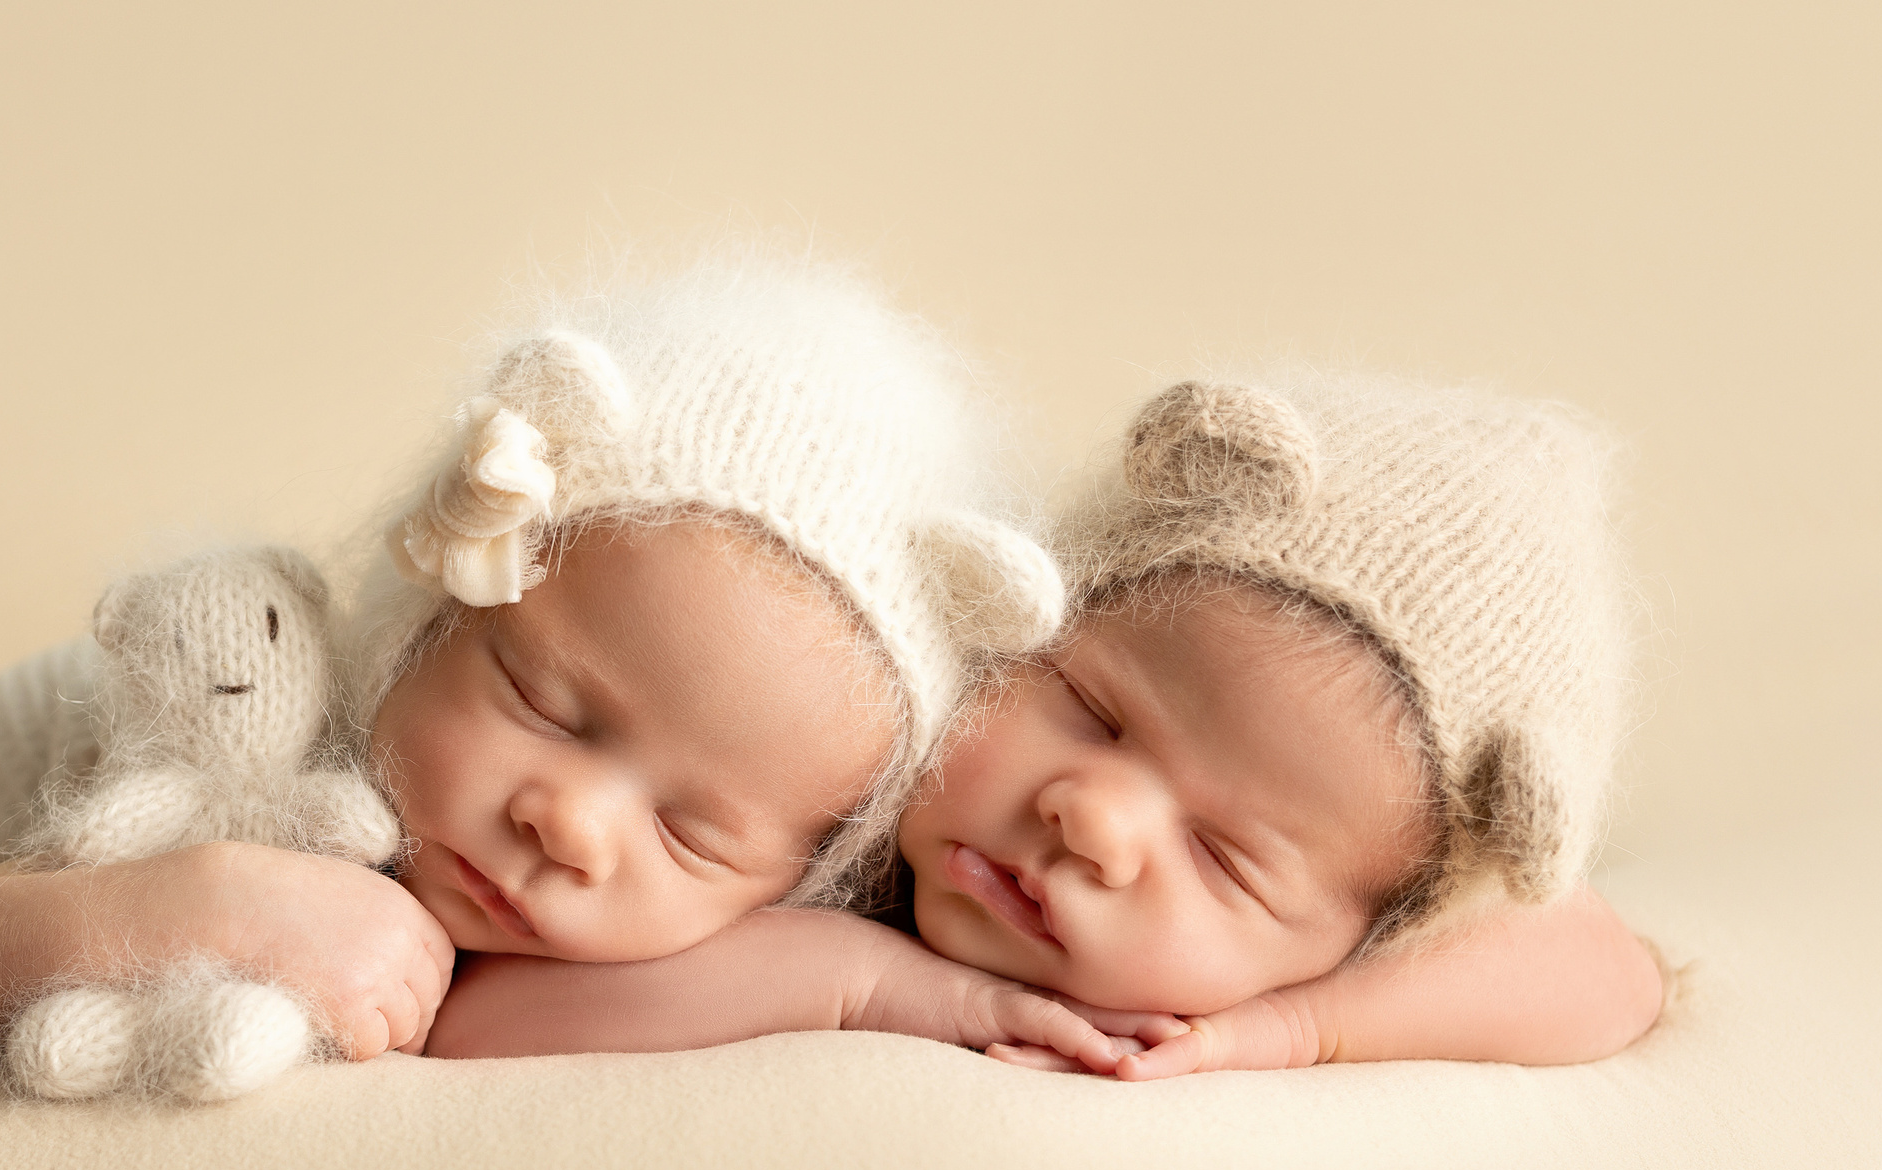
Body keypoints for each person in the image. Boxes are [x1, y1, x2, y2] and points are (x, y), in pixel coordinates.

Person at [0, 257, 1161, 1077]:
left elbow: (474, 1020)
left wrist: (897, 983)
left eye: (697, 833)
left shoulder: (649, 903)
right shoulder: (251, 740)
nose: (573, 824)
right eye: (543, 702)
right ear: (435, 608)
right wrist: (215, 897)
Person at [424, 370, 1664, 1075]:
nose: (1095, 819)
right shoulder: (802, 776)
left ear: (1352, 933)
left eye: (1227, 860)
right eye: (1092, 710)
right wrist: (866, 983)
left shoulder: (1293, 982)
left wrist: (1289, 1026)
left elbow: (1602, 969)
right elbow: (472, 1017)